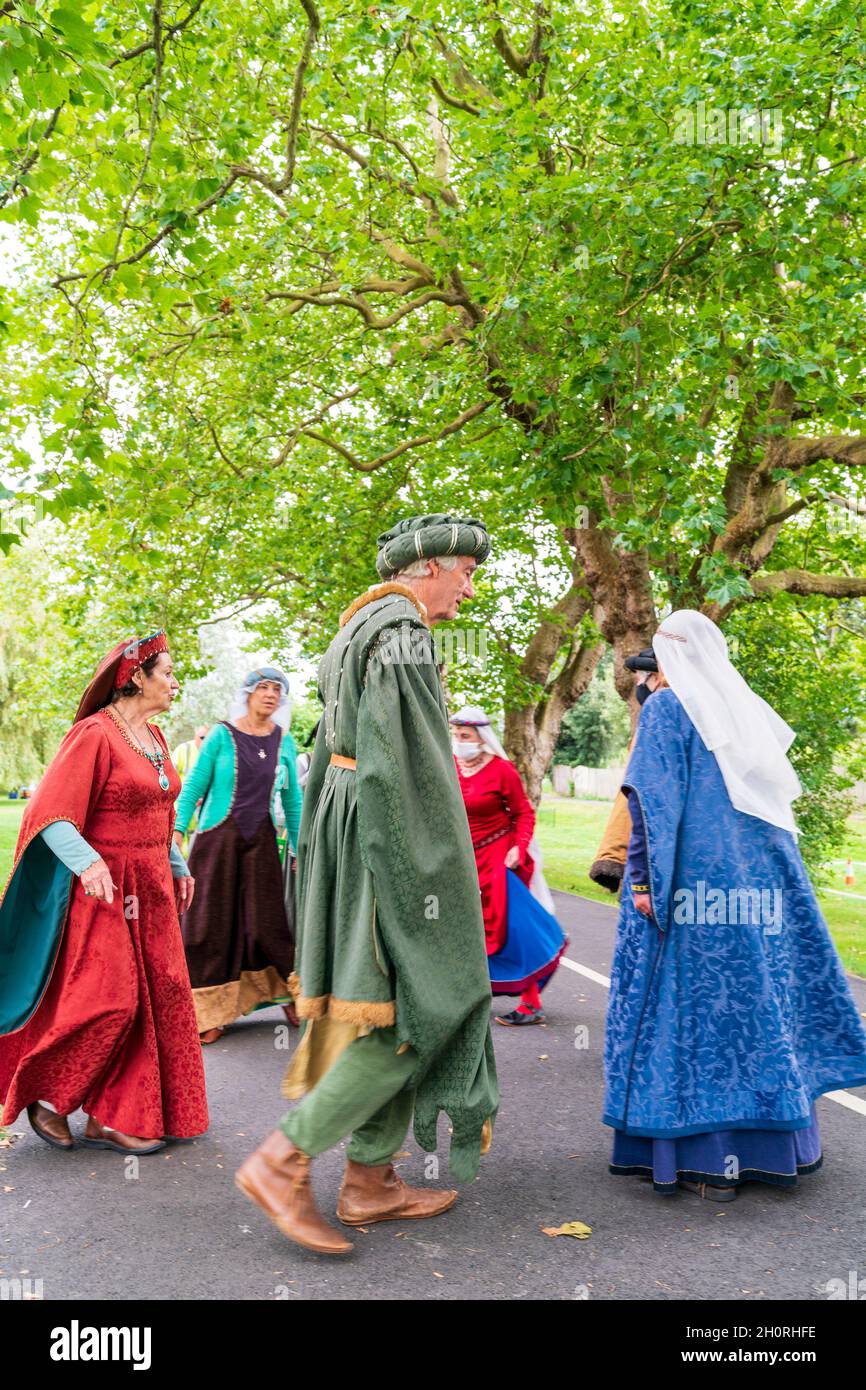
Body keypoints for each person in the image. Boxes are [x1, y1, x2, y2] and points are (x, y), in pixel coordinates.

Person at [235, 514, 499, 1256]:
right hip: (391, 834)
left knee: (385, 1007)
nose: (469, 592)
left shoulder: (359, 626)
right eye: (466, 573)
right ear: (430, 567)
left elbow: (339, 755)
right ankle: (283, 1160)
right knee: (429, 1001)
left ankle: (370, 1181)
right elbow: (406, 765)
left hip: (354, 828)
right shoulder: (405, 632)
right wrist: (437, 869)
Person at [604, 610, 866, 1201]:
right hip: (755, 893)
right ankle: (775, 1150)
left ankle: (697, 1152)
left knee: (689, 1015)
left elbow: (650, 801)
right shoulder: (737, 712)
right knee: (755, 1011)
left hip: (692, 890)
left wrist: (642, 883)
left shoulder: (668, 710)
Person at [0, 630, 208, 1154]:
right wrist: (88, 862)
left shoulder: (156, 739)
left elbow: (160, 813)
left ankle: (112, 1117)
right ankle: (47, 1097)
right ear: (136, 676)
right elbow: (48, 813)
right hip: (105, 889)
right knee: (110, 1001)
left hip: (153, 887)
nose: (175, 683)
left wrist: (177, 861)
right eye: (167, 673)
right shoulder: (94, 735)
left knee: (158, 1001)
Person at [173, 668, 302, 1045]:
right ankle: (212, 1012)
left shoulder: (284, 741)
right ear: (246, 693)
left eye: (277, 690)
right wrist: (177, 831)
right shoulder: (221, 735)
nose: (269, 695)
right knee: (207, 927)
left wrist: (298, 846)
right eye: (262, 687)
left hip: (260, 843)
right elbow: (194, 785)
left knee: (266, 925)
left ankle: (287, 993)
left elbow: (291, 800)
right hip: (216, 844)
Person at [450, 706, 566, 1026]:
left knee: (513, 928)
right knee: (462, 930)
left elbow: (523, 813)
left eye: (466, 736)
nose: (459, 741)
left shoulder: (502, 770)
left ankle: (531, 1003)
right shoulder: (450, 768)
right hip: (462, 860)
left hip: (499, 856)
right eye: (456, 735)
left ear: (481, 738)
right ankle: (465, 998)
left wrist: (518, 846)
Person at [589, 649, 662, 894]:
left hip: (655, 858)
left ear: (659, 677)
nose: (640, 684)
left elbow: (635, 799)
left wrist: (615, 857)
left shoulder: (658, 721)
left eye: (644, 677)